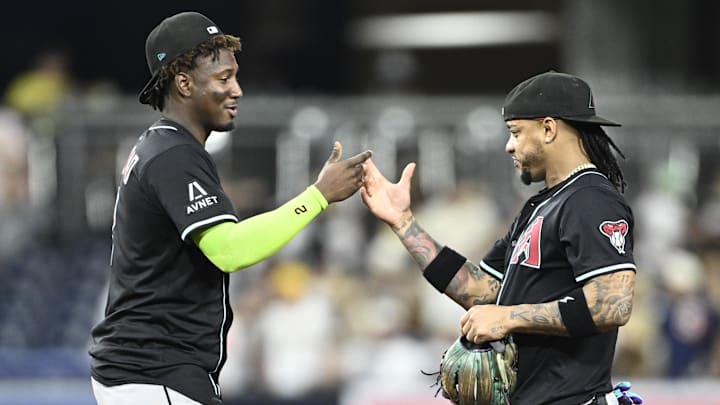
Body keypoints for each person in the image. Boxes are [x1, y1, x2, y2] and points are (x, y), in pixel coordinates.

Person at [89, 11, 371, 405]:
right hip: (155, 372)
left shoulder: (164, 146)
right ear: (184, 83)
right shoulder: (173, 154)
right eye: (223, 78)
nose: (237, 89)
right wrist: (318, 196)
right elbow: (230, 249)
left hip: (150, 370)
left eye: (235, 76)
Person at [360, 71, 640, 404]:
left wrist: (507, 317)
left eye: (516, 132)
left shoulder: (590, 198)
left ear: (549, 129)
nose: (510, 145)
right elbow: (483, 292)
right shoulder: (541, 206)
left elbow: (613, 304)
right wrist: (403, 222)